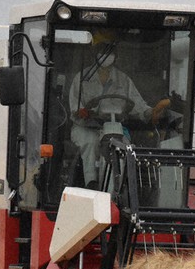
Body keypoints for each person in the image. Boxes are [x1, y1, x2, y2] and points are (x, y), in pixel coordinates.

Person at [68, 33, 169, 188]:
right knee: (90, 142)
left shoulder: (124, 80)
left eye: (110, 53)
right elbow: (74, 105)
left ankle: (122, 188)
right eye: (102, 53)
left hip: (116, 127)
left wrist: (153, 111)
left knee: (126, 148)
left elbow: (139, 106)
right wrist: (81, 112)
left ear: (116, 57)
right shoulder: (81, 78)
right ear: (95, 54)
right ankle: (91, 182)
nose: (105, 56)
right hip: (86, 127)